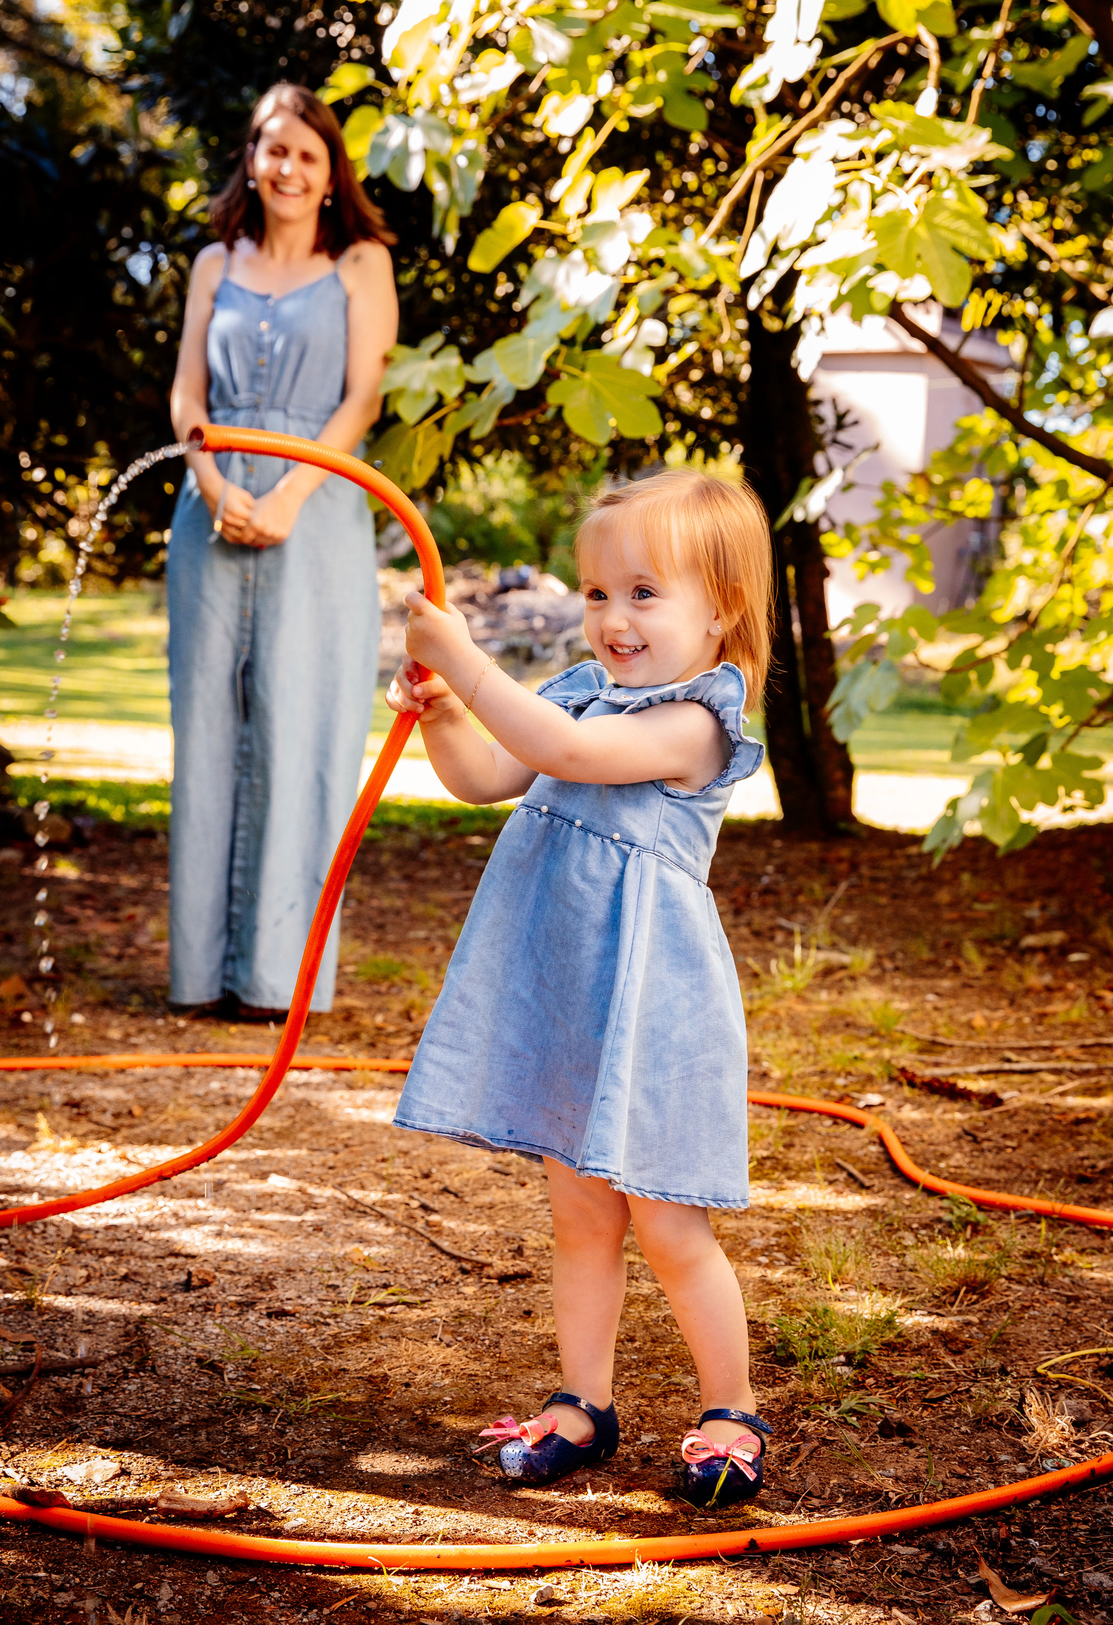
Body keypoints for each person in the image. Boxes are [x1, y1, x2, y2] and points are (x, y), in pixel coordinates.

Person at [387, 469, 774, 1507]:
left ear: (721, 610)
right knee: (579, 1216)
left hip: (649, 1008)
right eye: (599, 593)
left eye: (645, 593)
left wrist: (463, 659)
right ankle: (583, 1402)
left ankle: (730, 1408)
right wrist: (440, 714)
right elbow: (491, 773)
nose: (613, 617)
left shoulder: (697, 722)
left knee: (668, 1224)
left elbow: (561, 751)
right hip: (569, 993)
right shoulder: (578, 688)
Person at [167, 83, 398, 1017]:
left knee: (307, 728)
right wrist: (215, 487)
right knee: (206, 731)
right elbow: (187, 398)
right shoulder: (212, 264)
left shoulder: (363, 265)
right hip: (208, 513)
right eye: (273, 151)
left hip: (322, 512)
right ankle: (196, 976)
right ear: (251, 160)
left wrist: (292, 494)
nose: (288, 169)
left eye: (307, 154)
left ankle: (274, 981)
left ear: (330, 169)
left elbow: (363, 401)